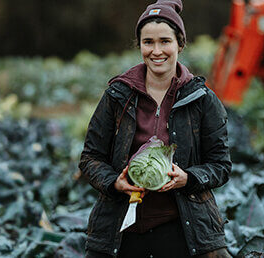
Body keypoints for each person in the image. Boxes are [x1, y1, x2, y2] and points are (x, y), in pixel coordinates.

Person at [78, 0, 233, 257]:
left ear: (180, 45)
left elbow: (220, 165)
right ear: (139, 45)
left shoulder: (203, 100)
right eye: (148, 42)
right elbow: (90, 158)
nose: (156, 51)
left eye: (165, 41)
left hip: (185, 229)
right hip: (122, 228)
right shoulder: (117, 96)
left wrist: (188, 178)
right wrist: (114, 182)